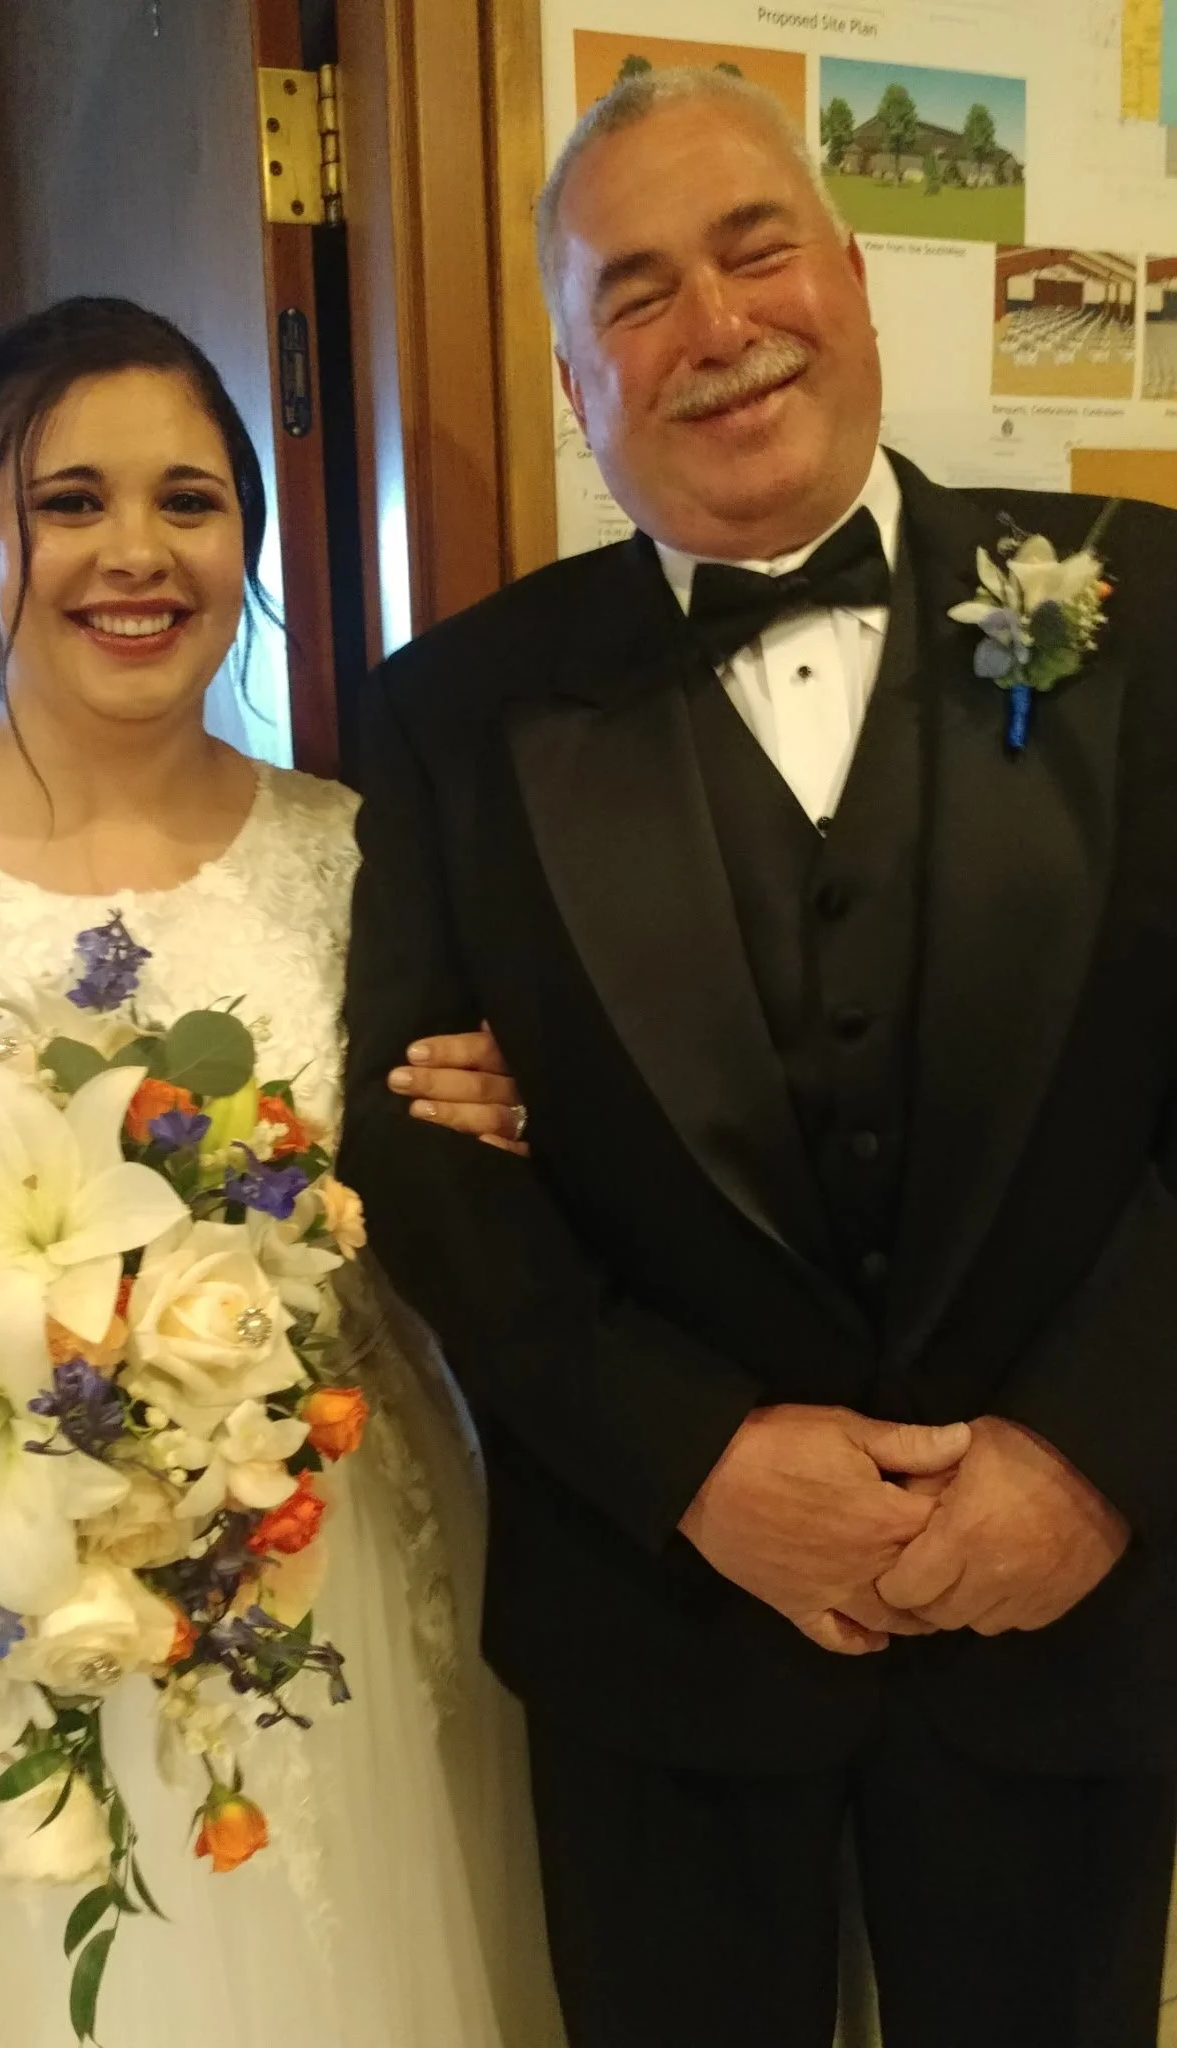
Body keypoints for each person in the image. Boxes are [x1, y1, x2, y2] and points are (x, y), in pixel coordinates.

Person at [341, 64, 1177, 2048]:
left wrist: (1092, 1451)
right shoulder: (450, 712)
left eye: (752, 247)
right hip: (663, 1629)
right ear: (573, 383)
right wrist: (692, 1459)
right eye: (634, 294)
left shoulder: (1152, 613)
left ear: (857, 278)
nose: (714, 327)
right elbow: (426, 1155)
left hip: (1071, 1606)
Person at [0, 296, 565, 2048]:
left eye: (189, 500)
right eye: (67, 500)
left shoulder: (360, 860)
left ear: (249, 537)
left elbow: (445, 1166)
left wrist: (507, 1108)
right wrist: (10, 1374)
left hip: (322, 1571)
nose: (132, 552)